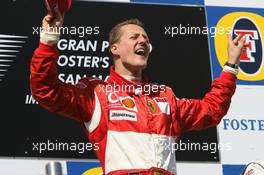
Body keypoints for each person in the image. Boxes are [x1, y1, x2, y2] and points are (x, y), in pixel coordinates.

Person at [30, 9, 245, 175]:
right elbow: (46, 90)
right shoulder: (97, 93)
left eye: (145, 39)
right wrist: (49, 38)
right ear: (114, 49)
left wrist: (231, 67)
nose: (143, 40)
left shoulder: (164, 96)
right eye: (134, 37)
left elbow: (211, 110)